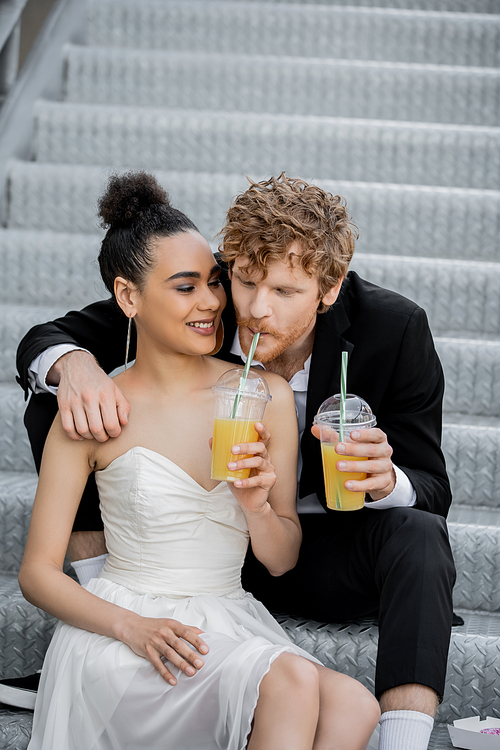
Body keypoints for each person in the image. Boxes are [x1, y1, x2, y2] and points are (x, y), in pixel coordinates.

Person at [14, 173, 456, 750]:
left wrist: (385, 479)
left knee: (419, 538)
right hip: (173, 567)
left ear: (329, 289)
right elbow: (53, 337)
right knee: (69, 402)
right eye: (242, 281)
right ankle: (100, 594)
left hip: (308, 542)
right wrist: (72, 365)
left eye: (283, 292)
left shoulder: (392, 329)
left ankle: (405, 740)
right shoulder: (204, 300)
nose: (250, 310)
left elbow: (432, 486)